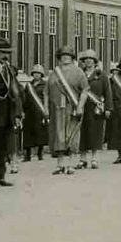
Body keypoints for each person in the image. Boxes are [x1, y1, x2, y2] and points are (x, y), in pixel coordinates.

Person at [0, 38, 23, 188]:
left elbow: (16, 93)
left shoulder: (8, 69)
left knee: (2, 148)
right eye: (2, 53)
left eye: (7, 53)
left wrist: (17, 114)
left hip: (7, 115)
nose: (5, 56)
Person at [47, 47, 87, 175]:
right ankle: (60, 165)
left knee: (72, 135)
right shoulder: (54, 73)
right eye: (62, 55)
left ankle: (70, 164)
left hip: (72, 108)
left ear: (72, 57)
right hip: (57, 109)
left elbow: (85, 90)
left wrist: (80, 105)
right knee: (58, 136)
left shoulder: (79, 72)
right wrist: (45, 108)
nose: (65, 57)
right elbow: (46, 92)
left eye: (68, 55)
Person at [77, 50, 111, 169]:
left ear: (95, 61)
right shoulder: (79, 74)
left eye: (91, 59)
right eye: (86, 59)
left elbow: (108, 92)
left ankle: (94, 158)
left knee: (96, 133)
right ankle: (82, 159)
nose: (88, 61)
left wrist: (108, 108)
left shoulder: (101, 75)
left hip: (96, 108)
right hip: (82, 107)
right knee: (82, 133)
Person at [21, 64, 50, 162]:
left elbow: (47, 98)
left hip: (39, 112)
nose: (36, 75)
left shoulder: (45, 85)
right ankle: (27, 155)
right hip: (29, 112)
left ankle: (40, 153)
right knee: (28, 133)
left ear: (41, 75)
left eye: (38, 73)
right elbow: (25, 98)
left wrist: (46, 111)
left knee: (40, 132)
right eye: (35, 73)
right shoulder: (29, 85)